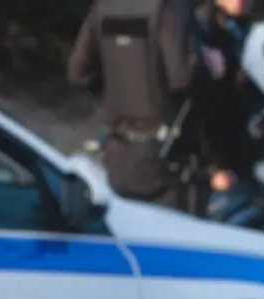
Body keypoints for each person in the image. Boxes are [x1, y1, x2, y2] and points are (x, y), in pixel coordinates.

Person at [67, 0, 227, 212]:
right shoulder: (170, 7)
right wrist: (211, 68)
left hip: (118, 153)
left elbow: (78, 72)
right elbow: (183, 78)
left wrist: (116, 91)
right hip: (166, 161)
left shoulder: (105, 6)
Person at [194, 0, 257, 198]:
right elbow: (203, 108)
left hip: (243, 143)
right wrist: (216, 165)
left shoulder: (239, 25)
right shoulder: (204, 26)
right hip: (218, 157)